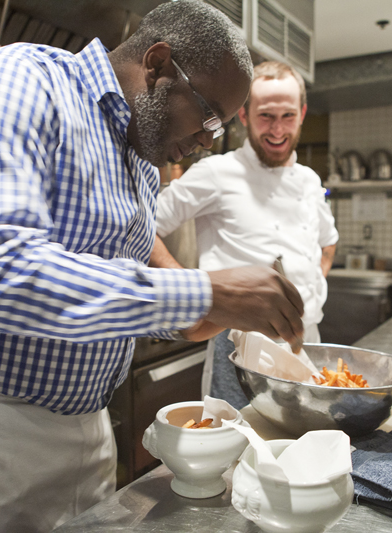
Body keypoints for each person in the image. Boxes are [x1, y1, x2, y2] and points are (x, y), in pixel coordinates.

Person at [0, 2, 306, 532]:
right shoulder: (19, 81)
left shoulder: (140, 156)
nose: (206, 140)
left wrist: (199, 317)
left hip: (87, 425)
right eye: (209, 115)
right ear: (158, 64)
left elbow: (103, 289)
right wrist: (205, 292)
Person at [150, 61, 339, 410]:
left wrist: (315, 281)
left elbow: (329, 241)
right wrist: (187, 287)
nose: (277, 129)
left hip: (306, 341)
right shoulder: (216, 172)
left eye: (287, 115)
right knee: (237, 439)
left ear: (302, 114)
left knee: (306, 439)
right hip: (240, 348)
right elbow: (145, 226)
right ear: (244, 116)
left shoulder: (309, 180)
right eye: (266, 116)